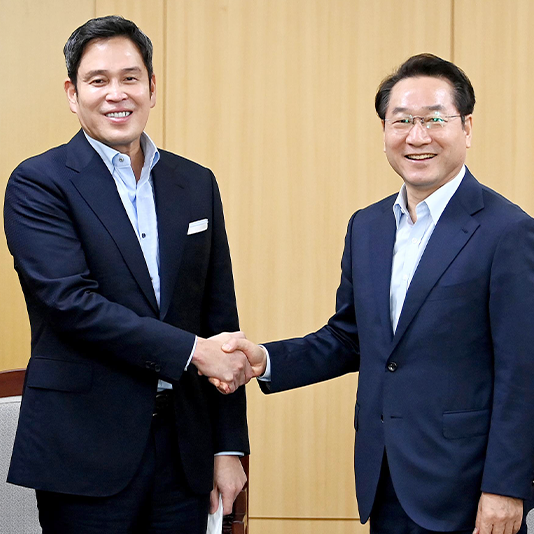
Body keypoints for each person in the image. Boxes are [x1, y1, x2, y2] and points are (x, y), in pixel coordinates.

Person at [220, 54, 534, 534]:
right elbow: (350, 339)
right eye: (401, 120)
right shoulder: (367, 227)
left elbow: (523, 372)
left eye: (434, 119)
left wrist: (507, 488)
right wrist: (264, 359)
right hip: (384, 476)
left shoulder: (507, 231)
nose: (417, 137)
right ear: (384, 129)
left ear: (467, 127)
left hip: (470, 489)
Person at [3, 15, 252, 534]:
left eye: (130, 78)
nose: (116, 94)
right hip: (84, 450)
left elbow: (219, 316)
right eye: (98, 80)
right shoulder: (38, 183)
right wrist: (191, 351)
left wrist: (228, 446)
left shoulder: (195, 183)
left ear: (152, 87)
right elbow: (72, 305)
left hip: (184, 451)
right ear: (73, 94)